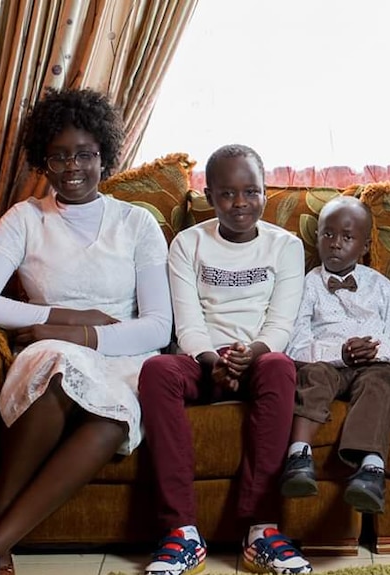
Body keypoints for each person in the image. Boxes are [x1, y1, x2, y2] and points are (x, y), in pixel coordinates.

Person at [0, 88, 172, 574]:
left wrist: (89, 337)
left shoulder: (137, 222)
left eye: (85, 154)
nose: (72, 167)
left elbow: (158, 326)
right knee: (58, 367)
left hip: (122, 354)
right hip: (49, 345)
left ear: (105, 156)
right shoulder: (25, 218)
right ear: (42, 162)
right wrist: (66, 320)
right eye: (58, 157)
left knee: (112, 417)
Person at [138, 144, 312, 575]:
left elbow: (281, 323)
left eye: (251, 192)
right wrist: (213, 358)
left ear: (265, 193)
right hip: (202, 360)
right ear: (209, 197)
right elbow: (188, 320)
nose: (240, 203)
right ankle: (182, 534)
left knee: (281, 366)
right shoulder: (188, 244)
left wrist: (250, 353)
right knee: (157, 369)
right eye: (228, 194)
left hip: (258, 360)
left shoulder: (285, 246)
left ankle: (261, 531)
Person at [281, 196, 390, 514]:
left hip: (372, 364)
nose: (335, 244)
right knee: (312, 375)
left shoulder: (381, 286)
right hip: (327, 362)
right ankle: (298, 457)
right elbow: (294, 343)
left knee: (379, 384)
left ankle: (370, 470)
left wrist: (377, 350)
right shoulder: (307, 286)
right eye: (327, 234)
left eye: (347, 237)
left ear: (365, 246)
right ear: (316, 238)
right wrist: (339, 353)